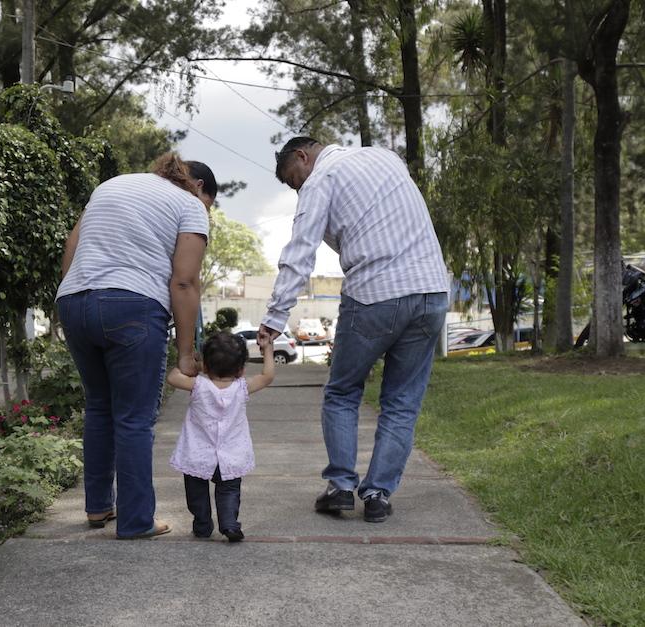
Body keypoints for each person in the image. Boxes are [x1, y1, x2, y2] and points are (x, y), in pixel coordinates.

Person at [258, 137, 449, 523]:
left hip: (375, 295)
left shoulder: (321, 177)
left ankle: (342, 486)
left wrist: (275, 317)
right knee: (402, 401)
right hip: (432, 292)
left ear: (302, 156)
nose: (298, 190)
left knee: (343, 391)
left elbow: (300, 251)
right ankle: (378, 494)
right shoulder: (384, 157)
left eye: (295, 181)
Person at [57, 153, 216, 539]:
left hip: (74, 300)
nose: (206, 210)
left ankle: (98, 507)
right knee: (134, 418)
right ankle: (135, 521)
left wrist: (79, 301)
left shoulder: (110, 186)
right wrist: (185, 353)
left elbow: (71, 250)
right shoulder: (190, 205)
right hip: (133, 306)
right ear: (198, 188)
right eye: (209, 203)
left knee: (99, 407)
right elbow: (184, 282)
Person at [167, 331, 275, 542]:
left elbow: (172, 377)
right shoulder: (242, 388)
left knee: (196, 493)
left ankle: (202, 525)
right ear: (242, 369)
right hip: (231, 455)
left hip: (197, 454)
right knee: (229, 492)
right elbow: (267, 376)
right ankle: (229, 524)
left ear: (206, 366)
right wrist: (268, 348)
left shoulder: (198, 385)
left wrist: (195, 366)